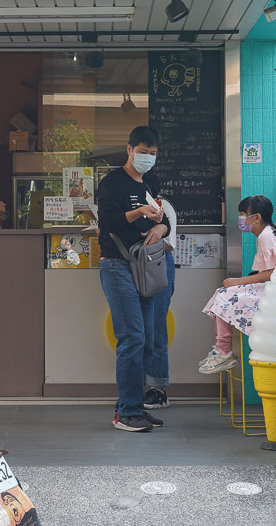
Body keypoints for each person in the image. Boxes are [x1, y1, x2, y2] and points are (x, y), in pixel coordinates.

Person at [97, 125, 170, 432]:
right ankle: (127, 412)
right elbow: (107, 221)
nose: (147, 159)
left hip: (146, 265)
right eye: (142, 153)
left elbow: (164, 218)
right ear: (129, 150)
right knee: (132, 337)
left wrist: (159, 228)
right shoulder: (112, 182)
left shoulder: (150, 180)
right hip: (118, 265)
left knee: (147, 337)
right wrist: (138, 212)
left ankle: (135, 405)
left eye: (152, 154)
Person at [198, 195, 276, 374]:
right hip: (275, 290)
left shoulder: (266, 237)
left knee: (223, 296)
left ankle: (223, 351)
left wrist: (239, 281)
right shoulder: (268, 233)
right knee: (222, 293)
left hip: (275, 293)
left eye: (243, 214)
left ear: (257, 217)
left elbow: (273, 272)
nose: (241, 219)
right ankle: (222, 349)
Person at [143, 197, 177, 410]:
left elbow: (168, 244)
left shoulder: (163, 205)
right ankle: (135, 389)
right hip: (130, 266)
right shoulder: (126, 205)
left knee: (155, 330)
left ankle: (158, 391)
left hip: (156, 265)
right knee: (135, 333)